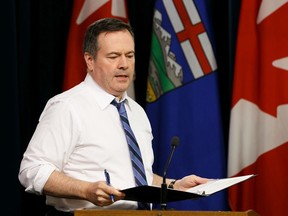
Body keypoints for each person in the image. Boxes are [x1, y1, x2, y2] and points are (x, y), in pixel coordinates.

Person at [18, 18, 208, 215]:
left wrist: (174, 185)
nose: (124, 64)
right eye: (114, 56)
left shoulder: (136, 112)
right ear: (90, 61)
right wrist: (85, 190)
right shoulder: (67, 107)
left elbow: (136, 177)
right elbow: (31, 170)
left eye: (130, 55)